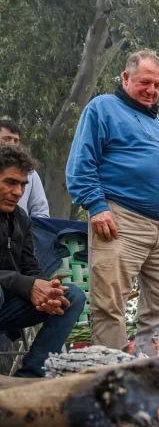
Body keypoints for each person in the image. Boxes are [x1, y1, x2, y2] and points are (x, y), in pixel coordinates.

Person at [66, 49, 159, 354]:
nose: (152, 91)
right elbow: (81, 163)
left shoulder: (158, 123)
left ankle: (151, 379)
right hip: (120, 218)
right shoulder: (103, 108)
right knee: (109, 303)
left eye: (158, 86)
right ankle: (113, 382)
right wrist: (96, 205)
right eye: (146, 82)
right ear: (126, 77)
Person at [0, 145, 85, 377]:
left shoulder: (20, 218)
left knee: (71, 296)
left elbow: (31, 266)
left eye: (22, 185)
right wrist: (28, 286)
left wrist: (45, 289)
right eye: (10, 182)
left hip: (8, 308)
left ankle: (31, 376)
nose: (18, 192)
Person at [0, 120, 50, 218]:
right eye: (7, 138)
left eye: (16, 140)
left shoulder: (30, 173)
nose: (12, 143)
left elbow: (40, 212)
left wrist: (25, 230)